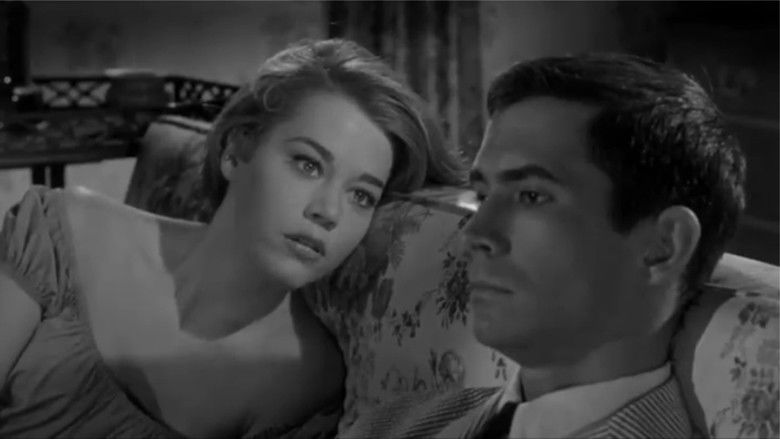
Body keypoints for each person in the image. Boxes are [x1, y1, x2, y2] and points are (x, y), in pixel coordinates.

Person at [0, 39, 465, 438]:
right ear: (236, 152)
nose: (328, 212)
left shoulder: (305, 382)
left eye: (361, 195)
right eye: (307, 164)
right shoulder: (66, 233)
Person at [341, 53, 746, 438]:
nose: (475, 234)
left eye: (532, 196)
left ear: (664, 246)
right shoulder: (395, 425)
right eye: (482, 196)